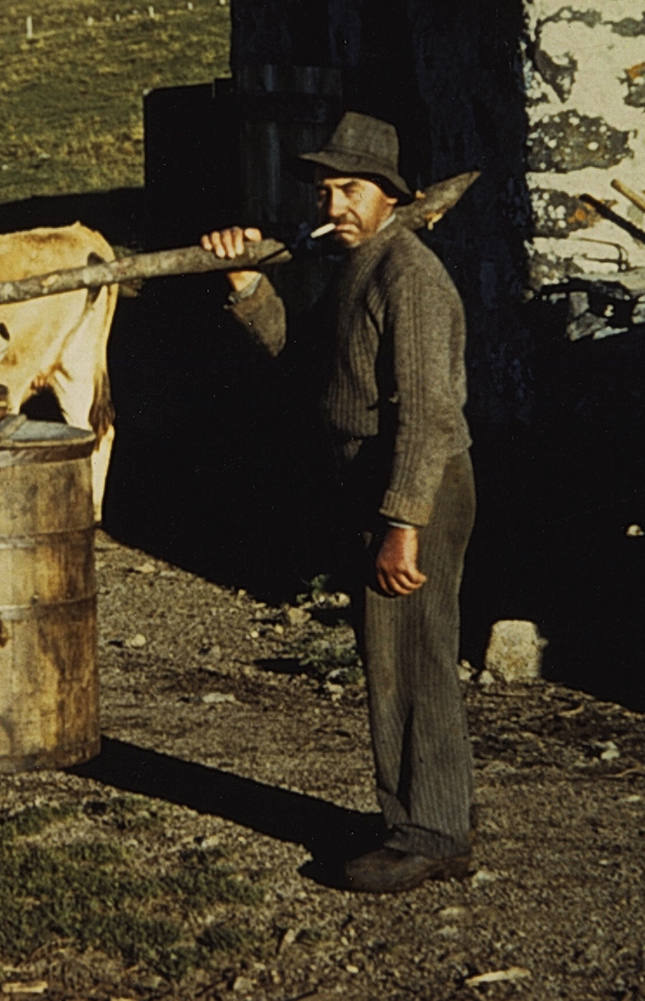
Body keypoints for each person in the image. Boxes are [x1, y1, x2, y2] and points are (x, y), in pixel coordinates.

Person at [201, 112, 476, 895]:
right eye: (325, 190)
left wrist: (403, 523)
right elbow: (300, 361)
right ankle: (428, 811)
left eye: (351, 188)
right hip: (376, 483)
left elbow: (428, 413)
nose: (333, 204)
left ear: (391, 195)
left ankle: (430, 832)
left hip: (415, 484)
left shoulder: (409, 276)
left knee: (413, 656)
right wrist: (247, 284)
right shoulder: (358, 265)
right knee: (393, 653)